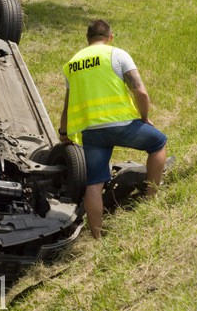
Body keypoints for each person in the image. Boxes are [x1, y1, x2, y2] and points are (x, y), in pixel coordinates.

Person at [59, 19, 168, 238]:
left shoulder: (72, 64)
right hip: (122, 125)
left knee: (95, 182)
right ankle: (151, 198)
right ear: (110, 37)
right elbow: (141, 92)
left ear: (87, 39)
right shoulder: (116, 54)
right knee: (158, 143)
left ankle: (97, 237)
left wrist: (64, 133)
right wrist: (144, 117)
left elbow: (68, 104)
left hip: (91, 132)